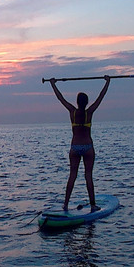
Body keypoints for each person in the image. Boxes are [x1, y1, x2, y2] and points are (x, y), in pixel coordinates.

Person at [48, 75, 111, 212]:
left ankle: (65, 204)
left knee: (72, 175)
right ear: (86, 102)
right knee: (88, 175)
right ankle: (93, 205)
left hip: (75, 147)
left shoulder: (72, 111)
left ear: (77, 102)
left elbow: (60, 98)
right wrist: (107, 82)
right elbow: (101, 97)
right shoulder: (90, 112)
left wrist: (53, 84)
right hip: (88, 147)